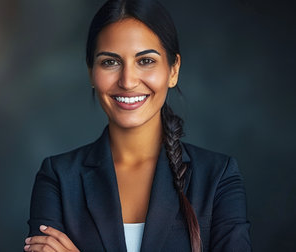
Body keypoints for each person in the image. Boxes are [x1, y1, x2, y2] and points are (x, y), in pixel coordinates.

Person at [24, 0, 252, 251]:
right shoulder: (58, 177)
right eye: (110, 62)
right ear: (91, 72)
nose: (128, 81)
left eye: (145, 61)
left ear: (173, 70)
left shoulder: (218, 177)